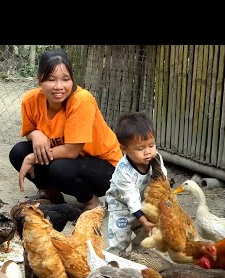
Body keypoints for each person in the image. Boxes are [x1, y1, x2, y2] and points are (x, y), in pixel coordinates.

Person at [9, 49, 123, 210]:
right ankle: (52, 195)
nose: (59, 86)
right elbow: (28, 130)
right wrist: (35, 134)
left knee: (59, 168)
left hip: (106, 170)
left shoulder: (82, 101)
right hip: (70, 162)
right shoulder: (31, 100)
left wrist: (32, 158)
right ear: (39, 79)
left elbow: (71, 152)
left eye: (65, 79)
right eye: (51, 79)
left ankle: (92, 202)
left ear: (72, 80)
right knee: (19, 152)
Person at [105, 111, 167, 254]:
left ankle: (137, 256)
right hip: (121, 207)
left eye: (151, 145)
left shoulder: (156, 158)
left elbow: (161, 179)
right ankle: (111, 267)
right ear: (124, 149)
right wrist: (143, 220)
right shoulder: (123, 170)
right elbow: (130, 196)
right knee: (119, 242)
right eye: (140, 148)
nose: (148, 152)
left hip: (142, 204)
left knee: (149, 235)